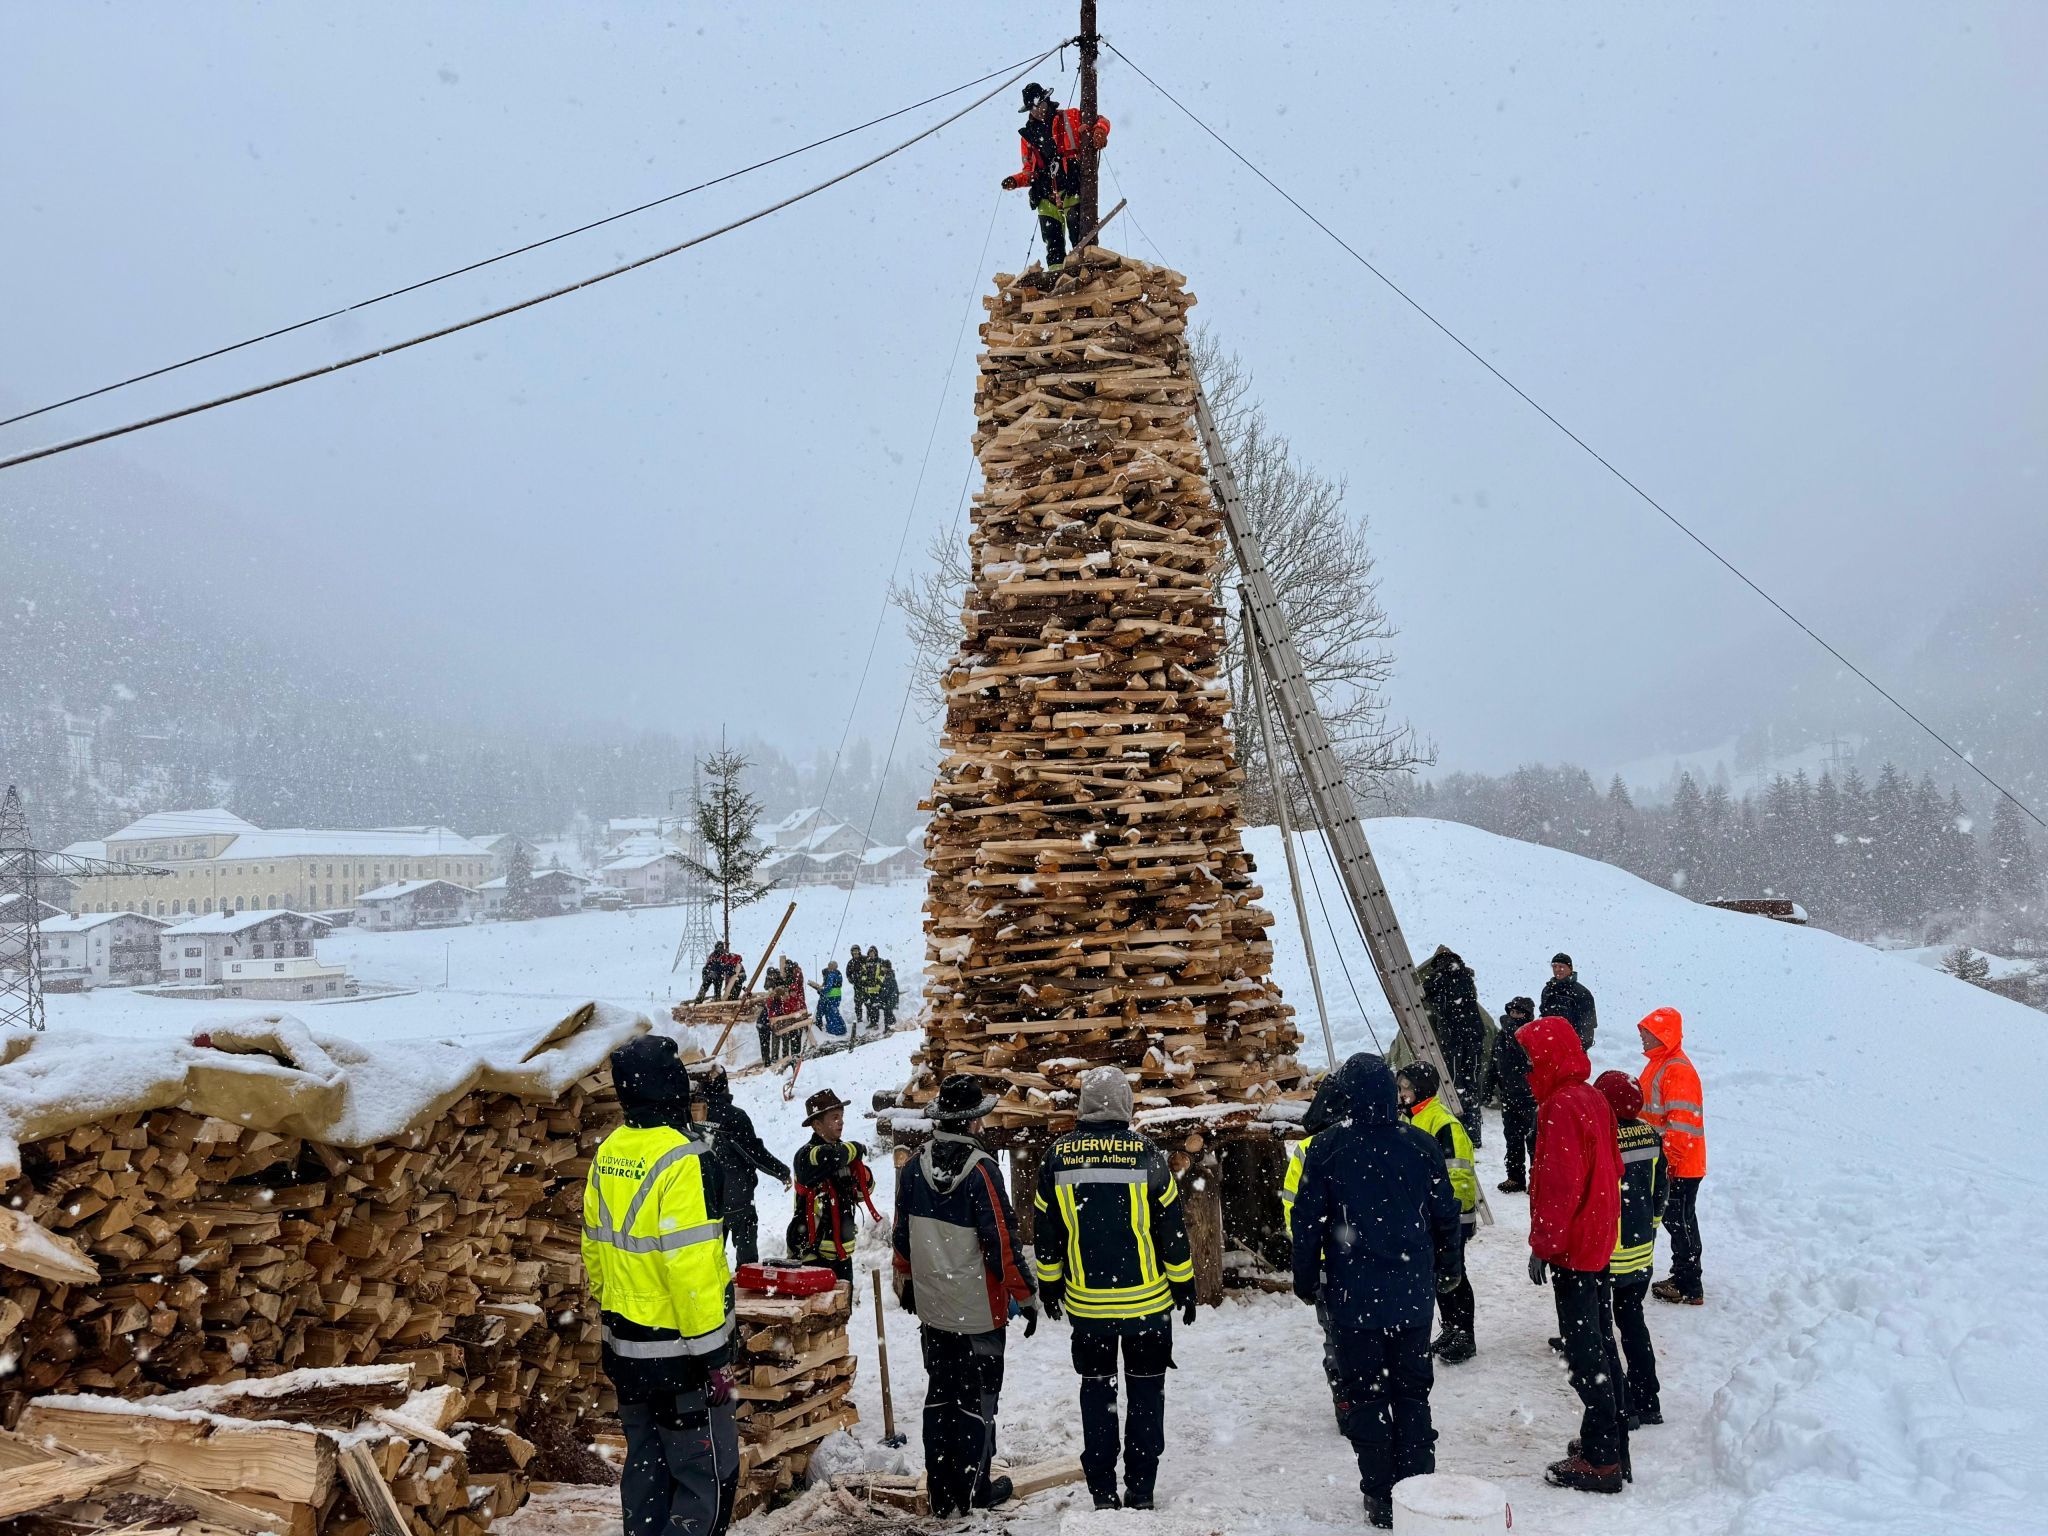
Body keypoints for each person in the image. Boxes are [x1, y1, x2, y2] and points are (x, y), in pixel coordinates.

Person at [1291, 1053, 1463, 1530]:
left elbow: (1306, 1225)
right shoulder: (1421, 1146)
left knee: (1366, 1397)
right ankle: (1416, 1489)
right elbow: (1446, 1214)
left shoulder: (1326, 1149)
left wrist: (1306, 1280)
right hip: (1411, 1296)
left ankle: (1381, 1497)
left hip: (1353, 1299)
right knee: (1412, 1393)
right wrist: (1448, 1269)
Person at [582, 1035, 738, 1536]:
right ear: (671, 1087)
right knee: (703, 1481)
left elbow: (593, 1251)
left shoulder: (608, 1152)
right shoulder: (681, 1158)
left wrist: (615, 1316)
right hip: (679, 1354)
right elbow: (689, 1271)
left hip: (625, 1348)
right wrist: (714, 1356)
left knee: (645, 1471)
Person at [1035, 1066, 1196, 1511]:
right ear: (1126, 1105)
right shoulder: (1148, 1155)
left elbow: (1046, 1233)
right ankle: (1141, 1490)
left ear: (1084, 1105)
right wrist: (1184, 1284)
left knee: (1097, 1394)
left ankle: (1103, 1492)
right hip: (1148, 1306)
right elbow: (1172, 1231)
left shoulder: (1057, 1157)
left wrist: (1049, 1285)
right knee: (1146, 1394)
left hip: (1088, 1309)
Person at [892, 1074, 1038, 1517]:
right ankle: (974, 1489)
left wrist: (908, 1283)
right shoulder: (981, 1171)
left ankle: (941, 1492)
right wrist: (1026, 1296)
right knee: (977, 1403)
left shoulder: (914, 1166)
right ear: (973, 1121)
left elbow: (901, 1238)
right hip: (979, 1313)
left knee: (941, 1397)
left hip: (934, 1311)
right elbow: (1003, 1245)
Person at [1517, 1015, 1627, 1495]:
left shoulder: (1560, 1106)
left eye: (1529, 1058)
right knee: (1601, 1342)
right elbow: (1613, 1166)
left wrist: (1545, 1245)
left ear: (1548, 1058)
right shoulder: (1594, 1098)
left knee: (1586, 1354)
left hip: (1574, 1248)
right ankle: (1610, 1441)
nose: (1524, 1067)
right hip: (1597, 1240)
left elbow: (1558, 1185)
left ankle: (1601, 1461)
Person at [1597, 1069, 1667, 1425]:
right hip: (1641, 1252)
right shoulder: (1652, 1137)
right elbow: (1661, 1193)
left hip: (1608, 1252)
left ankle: (1622, 1406)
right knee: (1633, 1323)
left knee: (1601, 1329)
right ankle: (1648, 1399)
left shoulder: (1603, 1137)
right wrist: (1649, 1229)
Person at [1281, 1068, 1350, 1430]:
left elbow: (1295, 1212)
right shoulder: (1377, 1139)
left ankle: (1346, 1399)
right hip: (1370, 1263)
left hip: (1327, 1264)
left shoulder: (1309, 1148)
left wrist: (1308, 1264)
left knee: (1336, 1337)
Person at [1397, 1062, 1479, 1364]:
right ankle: (1451, 1327)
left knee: (1455, 1276)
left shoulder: (1443, 1123)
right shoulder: (1414, 1117)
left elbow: (1458, 1177)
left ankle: (1464, 1335)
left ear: (1422, 1088)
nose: (1402, 1092)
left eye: (1407, 1087)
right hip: (1429, 1218)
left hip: (1450, 1218)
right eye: (1400, 1086)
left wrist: (1452, 1217)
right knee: (1438, 1277)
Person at [1000, 82, 1111, 273]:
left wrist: (1099, 130)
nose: (1038, 111)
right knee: (1052, 239)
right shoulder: (1027, 136)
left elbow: (1101, 119)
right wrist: (1016, 180)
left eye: (1039, 105)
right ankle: (1057, 276)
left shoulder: (1070, 117)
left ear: (1046, 100)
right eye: (1033, 108)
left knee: (1079, 232)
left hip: (1071, 184)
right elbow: (1029, 171)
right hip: (1044, 193)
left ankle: (1082, 271)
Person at [1636, 1007, 1707, 1305]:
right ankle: (1685, 1276)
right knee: (1676, 1219)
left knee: (1680, 1220)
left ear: (1662, 1036)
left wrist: (1671, 1161)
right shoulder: (1659, 1064)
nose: (1641, 1039)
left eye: (1646, 1034)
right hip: (1667, 1160)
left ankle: (1689, 1284)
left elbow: (1681, 1123)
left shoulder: (1676, 1069)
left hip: (1680, 1163)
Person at [696, 1065, 790, 1267]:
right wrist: (781, 1171)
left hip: (707, 1199)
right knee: (746, 1259)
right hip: (737, 1197)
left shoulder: (693, 1118)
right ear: (724, 1087)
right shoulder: (734, 1116)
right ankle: (746, 1289)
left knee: (709, 1258)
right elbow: (754, 1153)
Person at [786, 1089, 876, 1282]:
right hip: (810, 1256)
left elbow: (863, 1192)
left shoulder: (845, 1153)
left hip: (842, 1255)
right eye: (835, 1117)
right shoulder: (806, 1155)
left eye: (842, 1116)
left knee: (843, 1310)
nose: (841, 1122)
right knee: (817, 1310)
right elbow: (832, 1157)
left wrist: (865, 1177)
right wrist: (856, 1148)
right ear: (817, 1125)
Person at [1416, 946, 1488, 1146]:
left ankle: (1459, 1130)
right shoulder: (1466, 975)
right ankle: (1474, 1134)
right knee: (1471, 1081)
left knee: (1454, 1083)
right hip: (1474, 1035)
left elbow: (1420, 994)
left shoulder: (1437, 979)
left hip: (1453, 1038)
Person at [1486, 997, 1539, 1192]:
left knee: (1534, 1141)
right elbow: (1493, 1063)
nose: (1514, 1016)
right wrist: (1489, 1087)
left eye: (1519, 1013)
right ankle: (1515, 1177)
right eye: (1512, 1012)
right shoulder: (1501, 1036)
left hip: (1529, 1096)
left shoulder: (1532, 1035)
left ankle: (1536, 1180)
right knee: (1512, 1138)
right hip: (1509, 1095)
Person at [1540, 954, 1599, 1051]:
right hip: (1549, 1046)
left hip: (1571, 1049)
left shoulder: (1582, 993)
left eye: (1561, 967)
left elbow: (1587, 1026)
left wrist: (1577, 1048)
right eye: (1554, 966)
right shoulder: (1547, 990)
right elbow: (1543, 1017)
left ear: (1570, 968)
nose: (1557, 970)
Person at [809, 959, 846, 1039]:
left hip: (831, 996)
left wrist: (820, 989)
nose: (828, 967)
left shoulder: (831, 975)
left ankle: (835, 1029)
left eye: (829, 966)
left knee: (831, 1013)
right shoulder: (838, 974)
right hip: (837, 996)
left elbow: (828, 987)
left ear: (832, 967)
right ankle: (840, 1028)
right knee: (834, 1012)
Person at [876, 957, 902, 1033]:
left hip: (890, 999)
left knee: (888, 1013)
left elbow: (886, 990)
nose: (882, 968)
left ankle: (889, 1028)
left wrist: (880, 998)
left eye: (883, 967)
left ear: (886, 968)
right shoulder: (888, 975)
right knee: (888, 1013)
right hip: (890, 999)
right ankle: (891, 1026)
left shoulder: (889, 977)